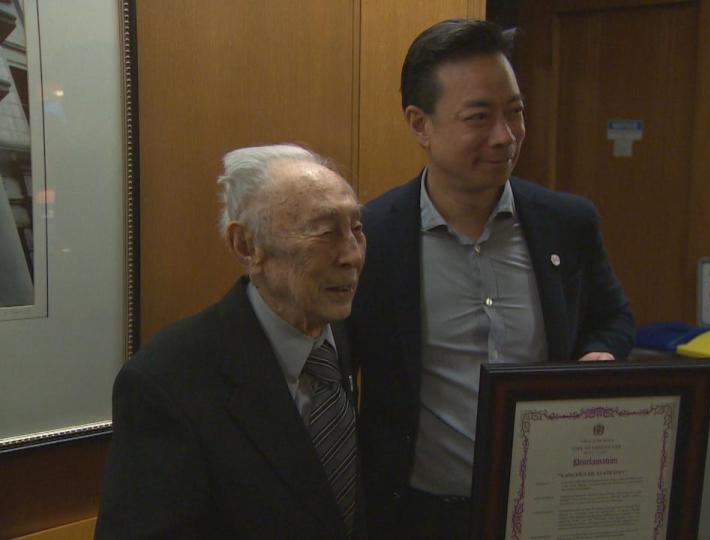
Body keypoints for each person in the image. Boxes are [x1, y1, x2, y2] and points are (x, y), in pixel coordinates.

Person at [348, 19, 635, 539]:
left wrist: (602, 356)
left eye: (515, 112)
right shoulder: (374, 238)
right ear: (420, 124)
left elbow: (612, 317)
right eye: (479, 117)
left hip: (548, 505)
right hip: (419, 514)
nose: (505, 137)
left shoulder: (566, 224)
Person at [96, 144, 367, 539]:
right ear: (247, 246)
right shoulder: (166, 382)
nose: (352, 256)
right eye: (325, 232)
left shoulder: (346, 330)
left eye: (357, 229)